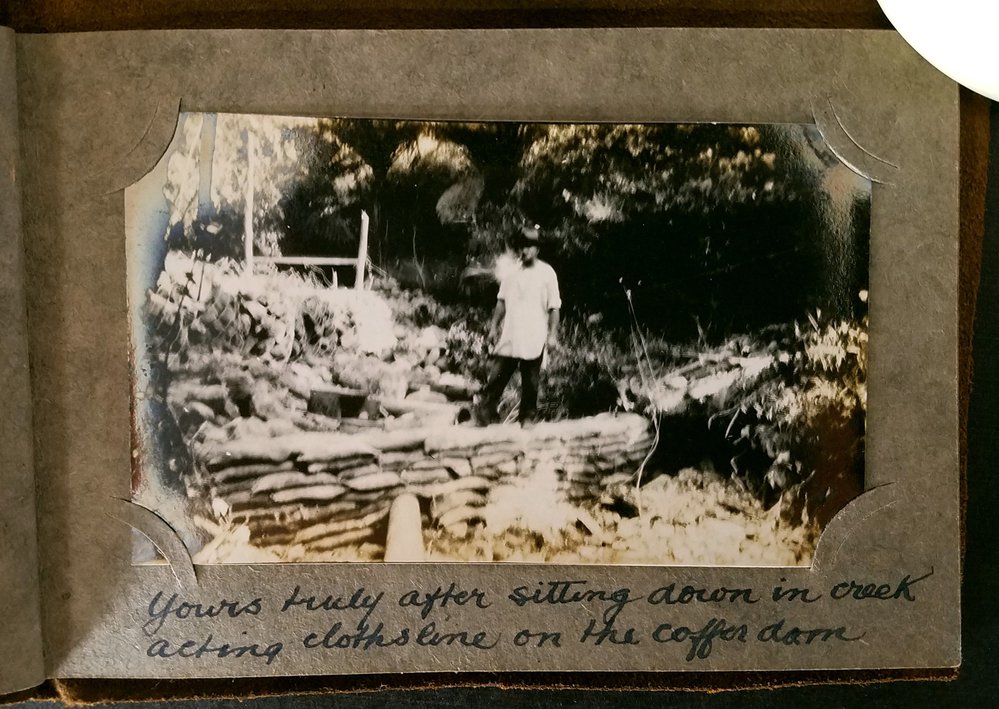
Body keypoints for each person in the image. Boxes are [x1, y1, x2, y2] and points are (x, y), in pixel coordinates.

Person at [476, 224, 561, 426]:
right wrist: (494, 326)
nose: (526, 250)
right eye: (523, 246)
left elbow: (554, 307)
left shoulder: (547, 273)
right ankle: (485, 414)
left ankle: (528, 418)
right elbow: (501, 301)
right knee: (497, 376)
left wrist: (552, 335)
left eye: (530, 246)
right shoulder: (511, 272)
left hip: (534, 336)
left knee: (531, 381)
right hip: (511, 334)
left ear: (537, 249)